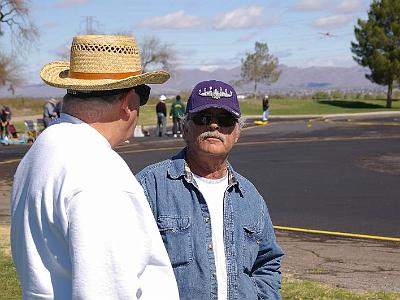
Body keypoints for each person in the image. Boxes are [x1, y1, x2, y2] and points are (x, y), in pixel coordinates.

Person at [10, 34, 179, 300]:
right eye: (142, 94)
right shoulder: (99, 172)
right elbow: (105, 289)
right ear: (127, 101)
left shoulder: (43, 147)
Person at [137, 80, 284, 299]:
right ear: (185, 129)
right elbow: (125, 266)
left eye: (224, 120)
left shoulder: (250, 196)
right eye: (203, 118)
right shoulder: (151, 186)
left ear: (236, 134)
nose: (214, 126)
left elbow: (267, 263)